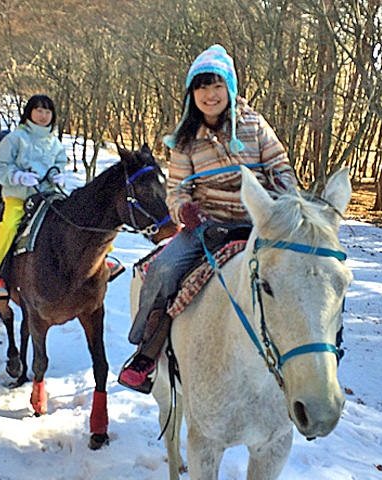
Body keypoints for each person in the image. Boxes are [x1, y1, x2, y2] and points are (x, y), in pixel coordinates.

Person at [118, 44, 298, 393]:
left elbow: (280, 167)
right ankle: (147, 352)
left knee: (307, 270)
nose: (210, 95)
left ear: (229, 88)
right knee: (164, 269)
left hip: (260, 221)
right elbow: (175, 190)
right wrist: (183, 209)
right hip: (209, 227)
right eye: (202, 87)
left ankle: (306, 358)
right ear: (192, 93)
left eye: (217, 86)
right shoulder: (184, 141)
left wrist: (285, 199)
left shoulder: (255, 125)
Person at [0, 94, 67, 298]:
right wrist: (18, 177)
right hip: (19, 197)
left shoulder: (54, 142)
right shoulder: (15, 138)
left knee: (75, 217)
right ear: (29, 112)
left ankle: (103, 259)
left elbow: (60, 162)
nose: (43, 115)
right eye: (39, 110)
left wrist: (58, 174)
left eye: (48, 111)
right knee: (10, 225)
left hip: (49, 196)